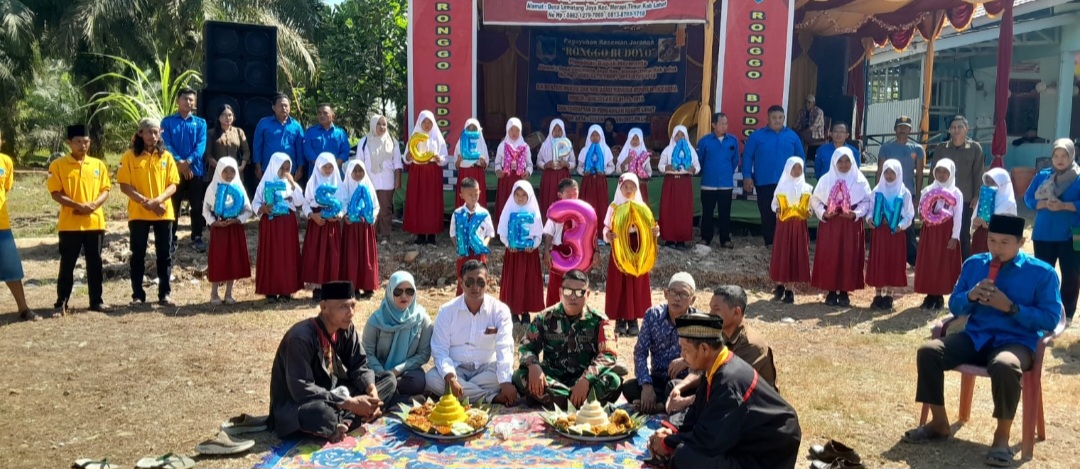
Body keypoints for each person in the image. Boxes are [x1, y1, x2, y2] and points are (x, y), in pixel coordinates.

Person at [905, 215, 1062, 468]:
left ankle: (1001, 437)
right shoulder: (974, 264)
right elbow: (955, 304)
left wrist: (1011, 308)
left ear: (1021, 241)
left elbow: (1050, 319)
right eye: (991, 241)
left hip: (1016, 342)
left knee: (1004, 365)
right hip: (976, 337)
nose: (996, 248)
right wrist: (971, 295)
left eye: (1004, 242)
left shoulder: (1041, 273)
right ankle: (939, 423)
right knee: (928, 351)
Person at [648, 314, 801, 469]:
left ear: (704, 348)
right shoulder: (716, 366)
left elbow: (708, 439)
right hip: (743, 439)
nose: (681, 355)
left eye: (685, 349)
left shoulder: (728, 380)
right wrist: (672, 429)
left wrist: (667, 443)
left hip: (762, 455)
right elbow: (698, 411)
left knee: (684, 456)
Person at [268, 281, 398, 443]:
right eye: (343, 307)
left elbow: (359, 365)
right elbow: (301, 390)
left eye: (353, 306)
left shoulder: (346, 328)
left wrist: (372, 393)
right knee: (321, 414)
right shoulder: (300, 338)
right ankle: (351, 418)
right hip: (301, 404)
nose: (350, 313)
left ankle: (349, 419)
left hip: (335, 391)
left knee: (388, 380)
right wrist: (349, 403)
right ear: (323, 307)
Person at [514, 269, 623, 408]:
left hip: (584, 381)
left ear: (587, 294)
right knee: (520, 376)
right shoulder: (545, 317)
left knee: (613, 381)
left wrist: (586, 379)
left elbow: (608, 354)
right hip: (552, 378)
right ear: (560, 293)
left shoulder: (599, 320)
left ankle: (555, 400)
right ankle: (576, 402)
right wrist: (533, 365)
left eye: (579, 292)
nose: (573, 297)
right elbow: (526, 347)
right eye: (568, 291)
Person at [666, 285, 779, 418]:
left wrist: (687, 402)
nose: (710, 314)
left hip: (750, 404)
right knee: (674, 385)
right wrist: (680, 388)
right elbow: (707, 370)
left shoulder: (751, 345)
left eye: (716, 309)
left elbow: (730, 388)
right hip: (723, 389)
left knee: (699, 410)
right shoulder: (722, 334)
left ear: (736, 312)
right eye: (711, 308)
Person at [425, 260, 519, 405]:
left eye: (480, 282)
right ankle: (490, 398)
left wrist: (505, 382)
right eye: (469, 282)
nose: (475, 287)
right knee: (431, 378)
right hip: (455, 368)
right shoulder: (447, 311)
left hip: (486, 370)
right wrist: (451, 378)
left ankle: (459, 394)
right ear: (461, 282)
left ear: (488, 282)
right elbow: (439, 350)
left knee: (503, 375)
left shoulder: (500, 311)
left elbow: (505, 347)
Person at [47, 125, 111, 316]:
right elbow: (55, 193)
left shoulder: (98, 165)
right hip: (70, 224)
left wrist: (93, 205)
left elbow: (105, 189)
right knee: (67, 263)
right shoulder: (58, 165)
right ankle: (62, 302)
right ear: (69, 143)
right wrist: (77, 205)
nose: (83, 146)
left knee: (95, 263)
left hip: (94, 222)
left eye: (86, 141)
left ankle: (96, 301)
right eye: (78, 142)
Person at [117, 118, 181, 306]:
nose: (152, 136)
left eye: (155, 132)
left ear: (160, 133)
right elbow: (124, 186)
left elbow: (173, 185)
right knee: (138, 255)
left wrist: (158, 201)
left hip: (163, 212)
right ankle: (137, 295)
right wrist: (148, 202)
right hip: (139, 213)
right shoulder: (129, 156)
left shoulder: (166, 157)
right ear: (140, 134)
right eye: (148, 132)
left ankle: (164, 294)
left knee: (164, 254)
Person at [623, 272, 700, 414]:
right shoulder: (653, 315)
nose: (677, 298)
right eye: (673, 292)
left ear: (692, 299)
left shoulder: (698, 322)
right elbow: (640, 352)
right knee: (629, 387)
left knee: (681, 389)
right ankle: (661, 404)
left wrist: (686, 361)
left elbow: (706, 356)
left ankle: (657, 407)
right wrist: (646, 386)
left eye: (683, 294)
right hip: (657, 380)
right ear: (665, 294)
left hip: (682, 384)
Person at [1024, 138, 1080, 323]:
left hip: (1073, 234)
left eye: (1064, 155)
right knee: (1042, 274)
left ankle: (1067, 315)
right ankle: (1044, 310)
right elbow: (1028, 198)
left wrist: (1064, 205)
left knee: (1071, 275)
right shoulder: (1043, 176)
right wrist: (1043, 203)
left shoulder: (1078, 177)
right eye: (1056, 155)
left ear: (1072, 155)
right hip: (1044, 233)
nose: (1060, 159)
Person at [811, 147, 871, 307]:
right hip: (831, 224)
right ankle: (831, 291)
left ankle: (845, 291)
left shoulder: (859, 179)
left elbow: (867, 201)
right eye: (840, 161)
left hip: (850, 225)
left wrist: (856, 213)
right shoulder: (825, 180)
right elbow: (815, 200)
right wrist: (823, 213)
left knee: (848, 256)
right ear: (834, 162)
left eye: (847, 161)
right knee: (830, 255)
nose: (844, 165)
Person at [363, 271, 433, 402]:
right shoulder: (376, 320)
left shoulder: (422, 319)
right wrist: (385, 375)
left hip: (404, 374)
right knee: (364, 380)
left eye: (409, 291)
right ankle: (403, 400)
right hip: (378, 371)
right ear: (390, 292)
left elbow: (424, 354)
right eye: (398, 292)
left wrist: (397, 370)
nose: (404, 296)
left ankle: (384, 397)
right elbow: (367, 353)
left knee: (418, 381)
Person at [603, 173, 659, 336]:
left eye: (632, 187)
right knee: (619, 282)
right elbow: (605, 227)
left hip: (638, 246)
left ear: (637, 189)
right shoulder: (613, 207)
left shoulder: (642, 207)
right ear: (620, 188)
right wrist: (608, 235)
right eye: (625, 187)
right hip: (621, 247)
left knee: (636, 281)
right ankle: (620, 318)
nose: (628, 190)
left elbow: (650, 226)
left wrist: (656, 231)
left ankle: (633, 318)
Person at [743, 105, 806, 247]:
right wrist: (747, 176)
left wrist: (800, 180)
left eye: (780, 117)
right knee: (767, 213)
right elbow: (747, 157)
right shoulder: (757, 136)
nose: (777, 120)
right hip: (764, 182)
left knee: (786, 212)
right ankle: (770, 242)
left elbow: (800, 158)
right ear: (768, 118)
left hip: (788, 183)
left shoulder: (792, 136)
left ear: (784, 118)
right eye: (774, 117)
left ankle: (784, 242)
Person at [161, 88, 209, 253]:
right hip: (174, 172)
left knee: (197, 206)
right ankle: (171, 239)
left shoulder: (200, 123)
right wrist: (179, 163)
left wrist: (187, 162)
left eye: (191, 100)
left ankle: (196, 237)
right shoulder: (167, 122)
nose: (189, 102)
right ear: (178, 101)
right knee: (173, 205)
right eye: (185, 99)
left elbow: (201, 146)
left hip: (195, 170)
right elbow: (166, 144)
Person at [253, 152, 304, 302]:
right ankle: (270, 291)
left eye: (288, 168)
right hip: (270, 224)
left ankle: (286, 291)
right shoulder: (265, 182)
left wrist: (293, 184)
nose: (285, 171)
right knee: (271, 255)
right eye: (282, 167)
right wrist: (263, 208)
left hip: (287, 223)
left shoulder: (290, 184)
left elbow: (300, 200)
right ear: (275, 166)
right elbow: (255, 203)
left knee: (286, 256)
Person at [201, 157, 253, 305]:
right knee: (219, 259)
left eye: (232, 171)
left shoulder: (239, 188)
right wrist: (214, 222)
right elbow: (205, 210)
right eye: (225, 171)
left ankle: (229, 293)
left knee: (233, 260)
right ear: (219, 171)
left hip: (235, 229)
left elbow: (248, 210)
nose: (229, 175)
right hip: (219, 230)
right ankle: (214, 293)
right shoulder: (212, 189)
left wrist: (238, 219)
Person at [876, 116, 926, 266]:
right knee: (886, 224)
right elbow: (880, 170)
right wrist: (878, 190)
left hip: (907, 192)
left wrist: (917, 194)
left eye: (905, 127)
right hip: (887, 193)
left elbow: (920, 173)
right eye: (900, 127)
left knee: (908, 226)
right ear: (894, 129)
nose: (902, 130)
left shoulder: (917, 149)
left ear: (910, 130)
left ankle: (912, 259)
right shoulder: (886, 148)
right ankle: (890, 257)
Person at [541, 178, 599, 306]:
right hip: (559, 251)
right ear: (560, 195)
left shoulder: (584, 211)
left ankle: (576, 315)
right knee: (556, 286)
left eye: (575, 194)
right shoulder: (557, 210)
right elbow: (549, 233)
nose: (573, 198)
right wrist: (546, 251)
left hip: (580, 254)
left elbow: (592, 234)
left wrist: (596, 251)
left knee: (577, 285)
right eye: (569, 195)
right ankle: (553, 317)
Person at [915, 159, 964, 311]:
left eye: (945, 172)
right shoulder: (928, 189)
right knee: (929, 261)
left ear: (951, 173)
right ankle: (929, 295)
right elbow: (921, 209)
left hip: (945, 232)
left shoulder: (956, 193)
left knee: (942, 263)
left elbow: (958, 216)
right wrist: (921, 216)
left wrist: (955, 236)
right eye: (939, 171)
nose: (942, 175)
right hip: (930, 231)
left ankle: (939, 296)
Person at [866, 160, 915, 310]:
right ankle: (878, 295)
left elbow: (909, 214)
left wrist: (901, 225)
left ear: (898, 173)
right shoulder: (876, 191)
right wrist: (869, 219)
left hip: (896, 234)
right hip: (880, 234)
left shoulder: (904, 193)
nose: (889, 175)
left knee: (893, 262)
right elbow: (870, 210)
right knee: (879, 261)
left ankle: (889, 296)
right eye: (886, 171)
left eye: (892, 172)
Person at [934, 115, 984, 258]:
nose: (956, 130)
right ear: (949, 130)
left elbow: (978, 173)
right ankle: (944, 264)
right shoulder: (942, 148)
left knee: (962, 233)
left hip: (966, 198)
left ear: (966, 129)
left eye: (960, 127)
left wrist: (976, 196)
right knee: (943, 232)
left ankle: (964, 265)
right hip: (941, 198)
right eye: (953, 128)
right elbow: (934, 173)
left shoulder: (975, 148)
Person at [0, 130, 36, 320]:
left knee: (11, 268)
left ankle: (23, 308)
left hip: (2, 224)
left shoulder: (5, 161)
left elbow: (5, 188)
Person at [497, 181, 545, 324]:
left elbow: (538, 235)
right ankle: (512, 311)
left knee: (527, 281)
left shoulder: (534, 213)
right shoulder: (508, 210)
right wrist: (508, 244)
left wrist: (534, 245)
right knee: (513, 281)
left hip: (529, 255)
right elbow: (503, 233)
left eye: (524, 195)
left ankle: (525, 311)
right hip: (513, 255)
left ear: (529, 196)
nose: (520, 198)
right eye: (517, 195)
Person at [770, 157, 813, 304]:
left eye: (799, 168)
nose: (797, 171)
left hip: (799, 226)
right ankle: (780, 285)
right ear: (788, 169)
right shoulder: (781, 186)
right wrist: (777, 210)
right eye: (794, 168)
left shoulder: (807, 187)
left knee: (795, 254)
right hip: (784, 226)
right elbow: (773, 204)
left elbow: (810, 205)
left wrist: (810, 211)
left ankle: (790, 289)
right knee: (783, 254)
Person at [301, 153, 344, 301]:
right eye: (324, 166)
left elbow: (343, 201)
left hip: (332, 225)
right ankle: (317, 288)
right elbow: (305, 203)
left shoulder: (338, 182)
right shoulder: (312, 182)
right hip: (317, 223)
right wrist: (312, 216)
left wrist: (339, 215)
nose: (327, 169)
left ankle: (331, 288)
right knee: (316, 253)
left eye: (330, 166)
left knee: (332, 254)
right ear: (318, 166)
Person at [337, 160, 380, 299]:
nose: (358, 174)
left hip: (365, 228)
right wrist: (345, 217)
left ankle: (368, 286)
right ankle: (353, 287)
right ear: (349, 172)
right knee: (352, 256)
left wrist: (371, 217)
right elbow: (342, 204)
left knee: (366, 255)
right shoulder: (345, 187)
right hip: (351, 228)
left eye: (360, 170)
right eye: (354, 171)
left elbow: (375, 205)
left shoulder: (368, 185)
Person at [403, 110, 447, 246]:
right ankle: (420, 234)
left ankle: (432, 235)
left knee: (432, 203)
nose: (427, 125)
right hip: (417, 172)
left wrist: (440, 159)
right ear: (419, 123)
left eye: (430, 122)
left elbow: (444, 158)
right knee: (418, 201)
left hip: (433, 172)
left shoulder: (437, 137)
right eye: (424, 122)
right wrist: (408, 157)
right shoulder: (414, 137)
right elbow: (405, 157)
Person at [696, 113, 740, 249]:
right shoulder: (704, 141)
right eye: (721, 124)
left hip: (725, 184)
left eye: (726, 123)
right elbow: (700, 160)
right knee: (707, 212)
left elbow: (735, 160)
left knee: (725, 212)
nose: (724, 126)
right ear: (713, 125)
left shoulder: (733, 141)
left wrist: (726, 172)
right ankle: (705, 237)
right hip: (708, 183)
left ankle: (725, 239)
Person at [358, 115, 403, 237]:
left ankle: (385, 234)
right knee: (370, 207)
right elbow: (359, 162)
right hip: (369, 181)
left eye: (384, 124)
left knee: (385, 209)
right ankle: (372, 235)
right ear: (373, 125)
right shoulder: (364, 142)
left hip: (386, 181)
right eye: (378, 124)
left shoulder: (392, 142)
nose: (382, 127)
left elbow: (397, 163)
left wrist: (398, 179)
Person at [450, 177, 494, 296]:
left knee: (479, 278)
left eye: (476, 194)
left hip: (479, 254)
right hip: (464, 254)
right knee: (464, 278)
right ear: (461, 195)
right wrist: (459, 249)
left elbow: (489, 233)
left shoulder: (484, 213)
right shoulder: (457, 213)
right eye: (470, 195)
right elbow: (453, 234)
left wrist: (484, 245)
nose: (474, 197)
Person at [658, 125, 700, 249]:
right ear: (673, 136)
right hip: (670, 182)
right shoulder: (667, 150)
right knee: (669, 209)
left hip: (684, 182)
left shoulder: (691, 150)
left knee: (683, 210)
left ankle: (681, 240)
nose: (680, 137)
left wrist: (693, 169)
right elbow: (661, 165)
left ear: (686, 136)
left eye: (682, 135)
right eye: (677, 135)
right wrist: (666, 168)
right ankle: (669, 239)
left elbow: (697, 166)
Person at [253, 93, 304, 180]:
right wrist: (257, 166)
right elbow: (257, 146)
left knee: (288, 193)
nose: (284, 108)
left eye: (286, 106)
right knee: (269, 193)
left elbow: (300, 149)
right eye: (281, 105)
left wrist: (300, 167)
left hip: (289, 170)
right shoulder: (264, 123)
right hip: (269, 169)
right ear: (273, 107)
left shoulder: (296, 126)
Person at [493, 118, 532, 222]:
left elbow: (529, 164)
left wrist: (527, 172)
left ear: (521, 131)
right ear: (507, 131)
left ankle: (518, 226)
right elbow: (497, 163)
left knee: (519, 201)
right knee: (505, 201)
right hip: (506, 179)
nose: (514, 133)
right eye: (511, 130)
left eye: (517, 130)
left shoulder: (525, 146)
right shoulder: (502, 146)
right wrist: (498, 171)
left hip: (520, 179)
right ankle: (503, 227)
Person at [971, 168, 1016, 255]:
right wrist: (976, 223)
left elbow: (1011, 228)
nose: (989, 186)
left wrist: (990, 225)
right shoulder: (983, 199)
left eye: (993, 182)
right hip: (981, 238)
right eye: (987, 182)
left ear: (1002, 184)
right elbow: (974, 223)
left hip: (999, 242)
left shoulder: (1009, 203)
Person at [578, 125, 616, 225]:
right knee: (587, 205)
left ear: (601, 136)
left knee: (601, 205)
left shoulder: (606, 150)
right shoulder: (584, 150)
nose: (595, 137)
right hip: (587, 182)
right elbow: (579, 167)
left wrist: (604, 172)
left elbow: (611, 167)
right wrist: (583, 172)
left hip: (600, 181)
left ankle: (600, 233)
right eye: (592, 135)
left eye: (597, 135)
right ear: (589, 137)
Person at [204, 104, 250, 185]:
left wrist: (242, 166)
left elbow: (246, 151)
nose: (227, 118)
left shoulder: (239, 132)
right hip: (217, 172)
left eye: (230, 115)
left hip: (235, 172)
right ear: (218, 117)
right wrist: (221, 167)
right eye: (224, 115)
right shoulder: (211, 133)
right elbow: (208, 155)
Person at [537, 118, 575, 215]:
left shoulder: (567, 145)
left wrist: (566, 164)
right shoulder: (545, 145)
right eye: (555, 130)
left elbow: (573, 162)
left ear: (563, 131)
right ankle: (548, 224)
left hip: (563, 175)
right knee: (548, 198)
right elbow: (538, 161)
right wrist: (545, 165)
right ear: (551, 131)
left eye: (560, 130)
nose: (557, 132)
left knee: (563, 199)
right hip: (549, 176)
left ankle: (563, 226)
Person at [452, 118, 490, 210]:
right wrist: (459, 161)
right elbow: (456, 165)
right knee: (465, 198)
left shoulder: (481, 143)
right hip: (465, 173)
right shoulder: (460, 143)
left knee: (477, 198)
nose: (472, 130)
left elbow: (486, 164)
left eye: (474, 128)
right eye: (469, 128)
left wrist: (482, 162)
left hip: (477, 173)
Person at [303, 104, 351, 175]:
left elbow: (345, 152)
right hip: (316, 173)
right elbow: (307, 150)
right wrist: (321, 167)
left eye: (325, 113)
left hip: (335, 173)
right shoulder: (310, 132)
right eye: (319, 113)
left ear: (333, 116)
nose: (322, 115)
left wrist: (333, 167)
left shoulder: (340, 133)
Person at [616, 128, 653, 204]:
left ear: (641, 140)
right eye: (633, 139)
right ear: (629, 139)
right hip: (626, 186)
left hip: (641, 186)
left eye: (637, 139)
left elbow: (649, 172)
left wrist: (643, 177)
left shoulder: (644, 154)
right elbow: (617, 170)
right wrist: (625, 162)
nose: (635, 141)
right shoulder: (624, 153)